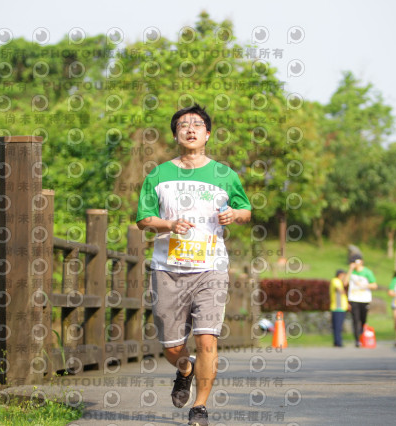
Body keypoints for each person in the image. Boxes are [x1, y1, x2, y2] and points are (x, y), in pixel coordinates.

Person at [136, 103, 252, 426]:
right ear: (176, 134)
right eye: (184, 125)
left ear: (207, 134)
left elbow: (246, 210)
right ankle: (184, 369)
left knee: (206, 339)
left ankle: (199, 407)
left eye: (197, 125)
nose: (190, 129)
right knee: (172, 346)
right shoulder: (158, 174)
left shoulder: (224, 174)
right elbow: (143, 220)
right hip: (168, 269)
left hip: (210, 269)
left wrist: (235, 215)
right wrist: (168, 224)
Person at [345, 254, 377, 347]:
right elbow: (345, 283)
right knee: (355, 319)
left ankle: (362, 336)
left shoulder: (367, 272)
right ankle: (357, 340)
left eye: (356, 261)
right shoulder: (352, 272)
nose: (354, 263)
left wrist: (363, 285)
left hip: (364, 299)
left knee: (363, 319)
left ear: (361, 261)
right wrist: (350, 269)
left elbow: (374, 285)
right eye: (352, 262)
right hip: (354, 299)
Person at [329, 269, 348, 347]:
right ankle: (338, 342)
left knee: (338, 326)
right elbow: (339, 290)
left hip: (341, 307)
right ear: (340, 275)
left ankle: (337, 342)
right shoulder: (335, 280)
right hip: (337, 307)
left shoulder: (338, 281)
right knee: (338, 326)